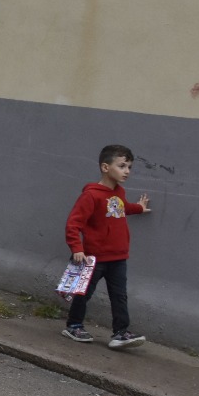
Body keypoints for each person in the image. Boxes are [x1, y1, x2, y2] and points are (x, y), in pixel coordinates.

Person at [62, 144, 151, 348]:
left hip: (118, 257)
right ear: (105, 167)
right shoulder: (91, 195)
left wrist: (138, 208)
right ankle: (73, 325)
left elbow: (121, 208)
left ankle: (120, 332)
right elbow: (73, 223)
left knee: (119, 295)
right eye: (122, 166)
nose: (127, 171)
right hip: (94, 257)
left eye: (129, 167)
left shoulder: (119, 192)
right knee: (83, 293)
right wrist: (77, 248)